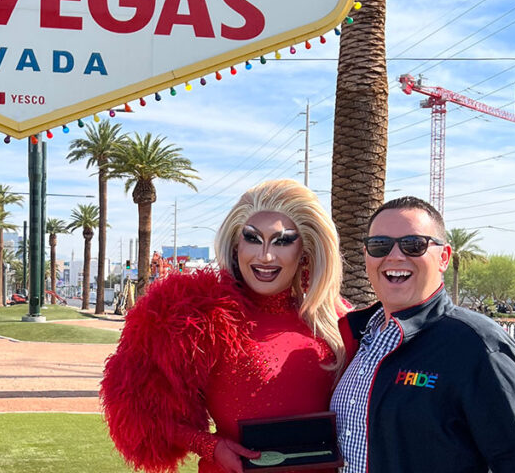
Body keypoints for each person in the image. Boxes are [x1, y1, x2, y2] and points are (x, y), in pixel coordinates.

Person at [101, 179, 352, 473]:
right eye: (253, 239)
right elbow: (139, 409)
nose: (265, 256)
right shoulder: (196, 317)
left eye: (282, 241)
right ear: (236, 245)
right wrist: (210, 446)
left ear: (305, 250)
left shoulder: (334, 319)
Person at [331, 196, 515, 473]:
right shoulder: (359, 338)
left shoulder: (477, 344)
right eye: (380, 245)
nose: (395, 256)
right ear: (367, 256)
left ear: (443, 257)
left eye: (413, 245)